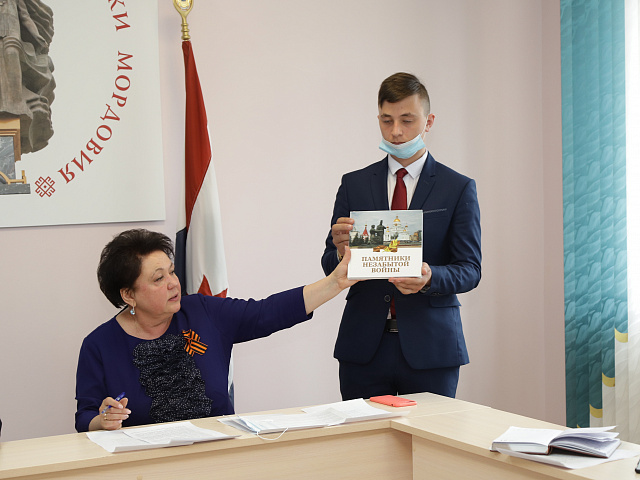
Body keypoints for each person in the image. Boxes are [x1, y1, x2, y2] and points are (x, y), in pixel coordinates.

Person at [75, 229, 355, 432]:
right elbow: (85, 416)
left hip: (219, 455)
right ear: (128, 295)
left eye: (172, 272)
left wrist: (334, 283)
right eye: (158, 278)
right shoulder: (99, 345)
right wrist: (103, 420)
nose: (173, 283)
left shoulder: (202, 312)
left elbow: (266, 313)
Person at [321, 72, 481, 401]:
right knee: (364, 435)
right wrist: (339, 252)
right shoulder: (354, 184)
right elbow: (329, 264)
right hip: (363, 347)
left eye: (407, 120)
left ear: (428, 121)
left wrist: (430, 276)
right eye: (387, 120)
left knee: (428, 434)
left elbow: (470, 269)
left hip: (432, 347)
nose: (395, 131)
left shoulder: (457, 187)